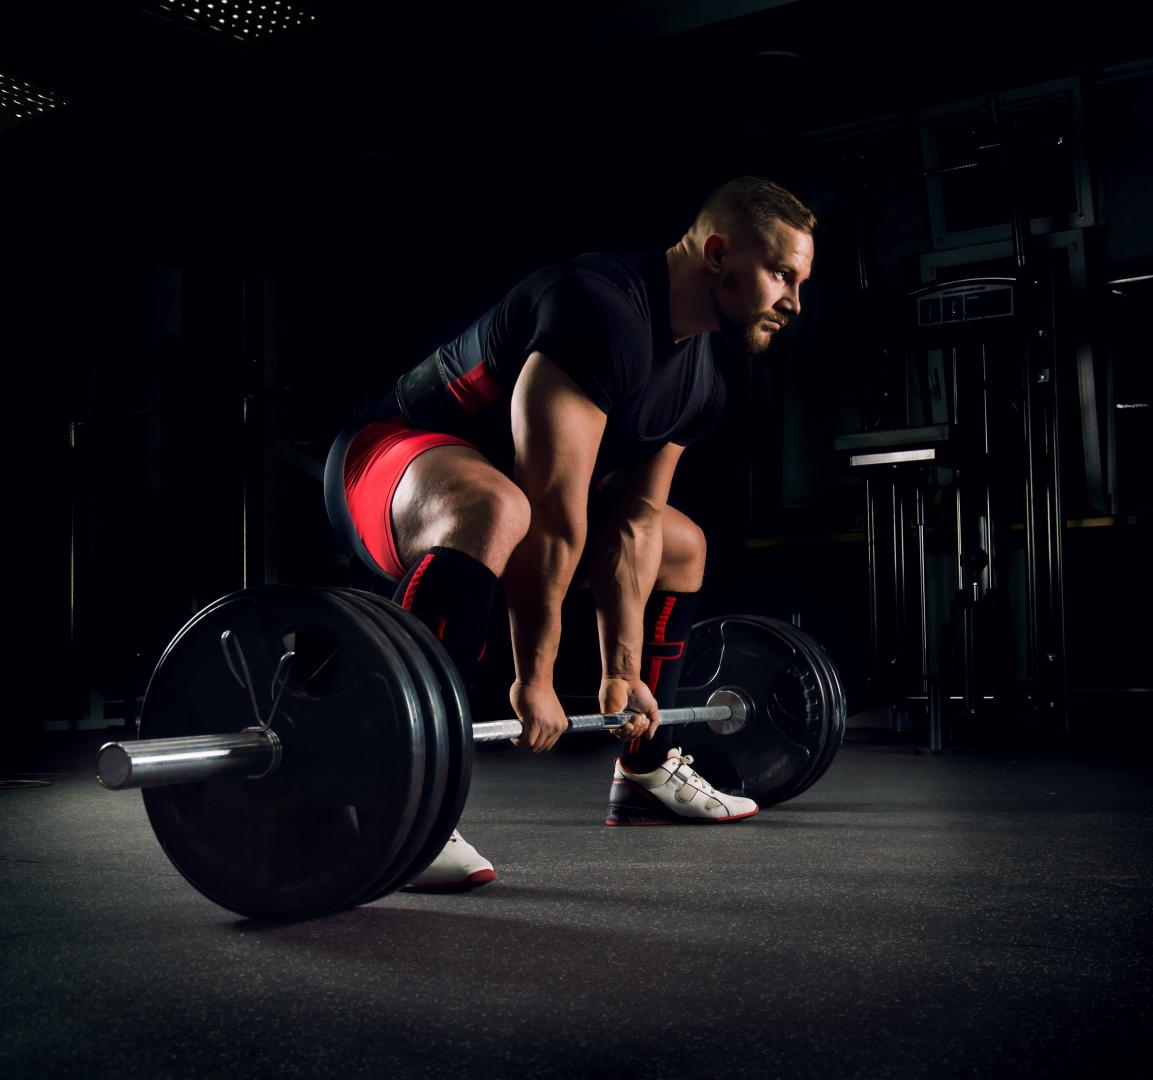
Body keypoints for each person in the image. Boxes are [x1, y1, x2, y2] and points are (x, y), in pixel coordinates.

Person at [327, 176, 816, 889]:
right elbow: (551, 515)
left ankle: (644, 770)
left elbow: (635, 523)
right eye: (781, 275)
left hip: (506, 501)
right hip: (384, 464)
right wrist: (536, 678)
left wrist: (619, 673)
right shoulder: (600, 308)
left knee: (683, 545)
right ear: (716, 252)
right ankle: (392, 792)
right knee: (503, 507)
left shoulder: (701, 378)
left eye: (798, 282)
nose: (793, 301)